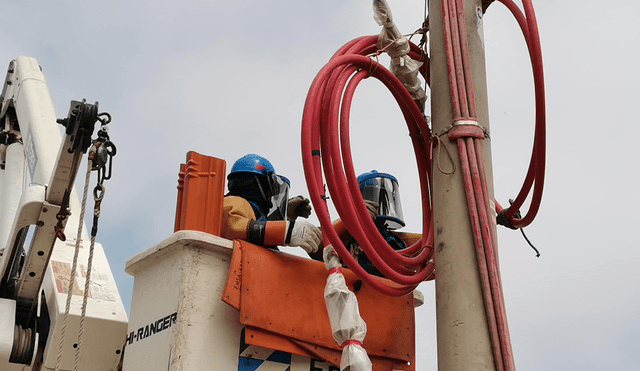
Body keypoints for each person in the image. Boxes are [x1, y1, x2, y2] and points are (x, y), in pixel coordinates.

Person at [221, 154, 321, 254]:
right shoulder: (233, 202)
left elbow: (261, 231)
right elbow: (233, 226)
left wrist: (287, 215)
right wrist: (288, 231)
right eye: (271, 187)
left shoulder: (251, 213)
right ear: (263, 184)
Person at [333, 170, 408, 277]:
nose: (378, 205)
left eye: (384, 199)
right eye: (372, 196)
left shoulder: (394, 241)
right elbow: (324, 241)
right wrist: (352, 218)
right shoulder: (344, 235)